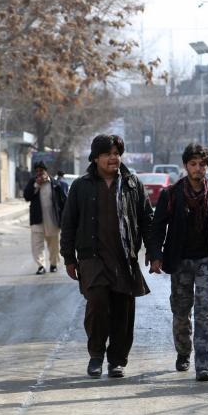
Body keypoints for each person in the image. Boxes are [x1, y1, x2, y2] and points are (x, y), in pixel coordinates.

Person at [61, 134, 153, 378]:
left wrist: (154, 253)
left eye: (117, 153)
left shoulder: (132, 184)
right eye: (108, 154)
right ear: (96, 157)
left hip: (124, 258)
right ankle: (96, 355)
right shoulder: (81, 186)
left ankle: (117, 360)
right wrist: (69, 258)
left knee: (123, 311)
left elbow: (146, 220)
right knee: (98, 304)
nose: (114, 158)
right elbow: (69, 223)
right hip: (92, 258)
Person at [148, 144, 208, 382]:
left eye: (202, 164)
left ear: (207, 166)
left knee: (206, 313)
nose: (198, 168)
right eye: (193, 164)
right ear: (186, 166)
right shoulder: (171, 195)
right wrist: (156, 256)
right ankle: (183, 352)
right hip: (180, 261)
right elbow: (157, 228)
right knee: (181, 312)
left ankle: (203, 365)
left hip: (207, 262)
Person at [23, 161, 67, 275]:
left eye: (41, 171)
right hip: (37, 220)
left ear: (45, 171)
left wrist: (65, 217)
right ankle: (41, 266)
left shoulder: (55, 183)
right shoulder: (33, 182)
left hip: (52, 220)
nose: (38, 173)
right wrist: (36, 185)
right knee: (37, 245)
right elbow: (26, 196)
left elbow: (63, 201)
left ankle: (53, 264)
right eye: (36, 171)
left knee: (53, 245)